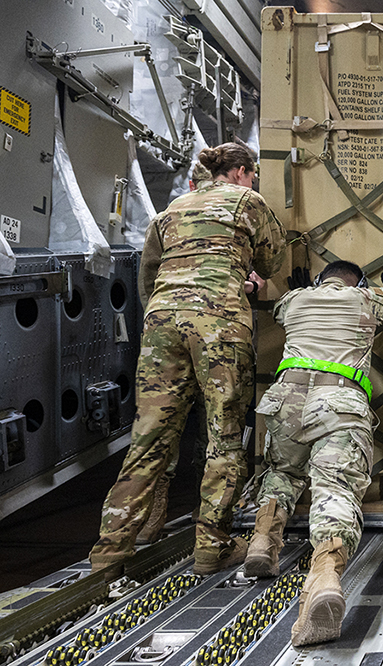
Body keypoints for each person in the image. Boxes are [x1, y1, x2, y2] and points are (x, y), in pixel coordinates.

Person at [89, 142, 287, 575]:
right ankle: (211, 548)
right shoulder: (248, 201)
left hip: (162, 324)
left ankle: (109, 553)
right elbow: (274, 261)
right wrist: (242, 280)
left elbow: (149, 275)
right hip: (219, 323)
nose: (253, 182)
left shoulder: (172, 209)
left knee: (148, 437)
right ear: (239, 172)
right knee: (225, 435)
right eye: (251, 175)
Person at [244, 254, 383, 647]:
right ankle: (323, 578)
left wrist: (301, 287)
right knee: (335, 488)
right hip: (337, 401)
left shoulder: (296, 300)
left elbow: (280, 306)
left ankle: (263, 543)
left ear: (320, 280)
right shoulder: (367, 300)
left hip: (285, 398)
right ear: (359, 286)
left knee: (282, 472)